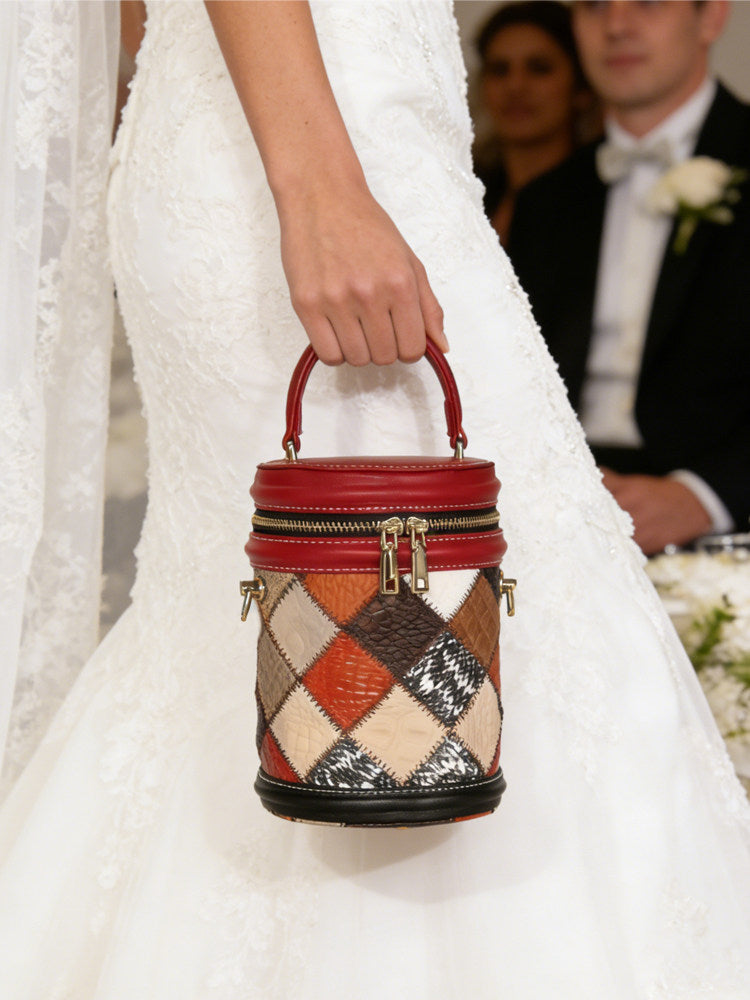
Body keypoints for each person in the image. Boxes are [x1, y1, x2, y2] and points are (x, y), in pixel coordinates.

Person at [1, 2, 750, 997]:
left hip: (346, 127)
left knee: (348, 628)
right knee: (426, 619)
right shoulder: (328, 178)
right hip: (321, 149)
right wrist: (319, 188)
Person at [509, 0, 750, 555]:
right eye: (593, 5)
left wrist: (705, 496)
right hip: (562, 518)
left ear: (711, 16)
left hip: (723, 517)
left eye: (647, 1)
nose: (616, 26)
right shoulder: (546, 201)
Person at [473, 1, 598, 244]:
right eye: (499, 70)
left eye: (539, 69)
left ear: (581, 87)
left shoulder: (601, 198)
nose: (515, 86)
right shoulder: (463, 192)